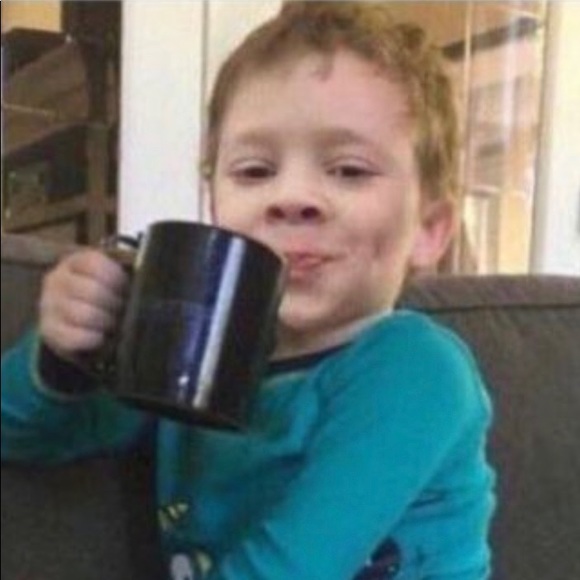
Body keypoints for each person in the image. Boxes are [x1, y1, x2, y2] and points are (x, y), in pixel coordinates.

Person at [1, 2, 496, 579]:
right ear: (215, 205)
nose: (292, 197)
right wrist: (63, 359)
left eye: (350, 169)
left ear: (429, 229)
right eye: (255, 171)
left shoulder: (416, 369)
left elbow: (289, 567)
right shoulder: (193, 353)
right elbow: (22, 437)